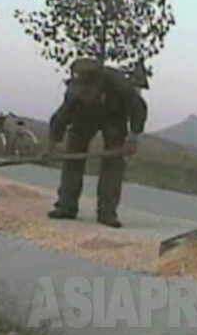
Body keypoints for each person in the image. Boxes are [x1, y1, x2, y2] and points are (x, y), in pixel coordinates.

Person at [47, 58, 149, 228]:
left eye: (87, 91)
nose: (83, 94)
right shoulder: (74, 94)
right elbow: (62, 117)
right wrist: (53, 142)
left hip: (114, 116)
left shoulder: (120, 86)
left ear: (98, 85)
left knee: (113, 162)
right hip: (84, 117)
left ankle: (107, 212)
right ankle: (66, 206)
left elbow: (138, 109)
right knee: (72, 155)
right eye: (80, 91)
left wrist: (133, 138)